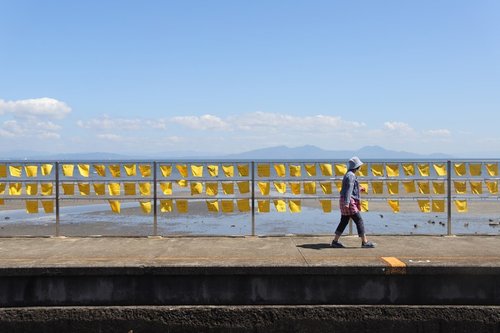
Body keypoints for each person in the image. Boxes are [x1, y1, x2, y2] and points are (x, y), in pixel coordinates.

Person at [331, 156, 376, 248]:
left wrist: (359, 189)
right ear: (357, 167)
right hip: (349, 201)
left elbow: (349, 188)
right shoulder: (351, 176)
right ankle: (364, 242)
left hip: (344, 200)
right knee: (359, 220)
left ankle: (335, 241)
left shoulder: (348, 174)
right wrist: (347, 202)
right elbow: (349, 189)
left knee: (344, 221)